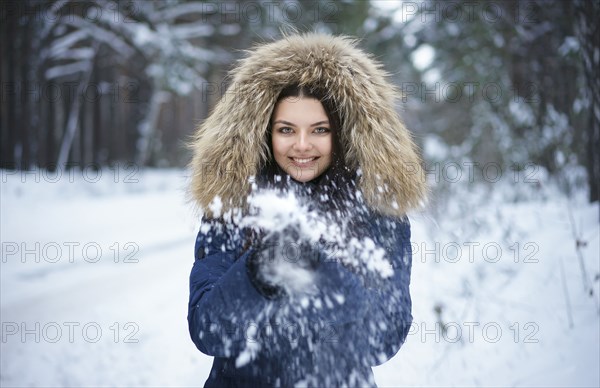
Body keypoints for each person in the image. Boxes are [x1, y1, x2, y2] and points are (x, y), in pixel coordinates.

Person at [187, 32, 426, 387]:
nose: (302, 145)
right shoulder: (233, 205)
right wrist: (259, 271)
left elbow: (382, 340)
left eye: (319, 130)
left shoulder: (376, 212)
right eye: (286, 130)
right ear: (265, 133)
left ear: (342, 134)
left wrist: (320, 269)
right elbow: (208, 331)